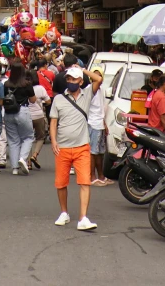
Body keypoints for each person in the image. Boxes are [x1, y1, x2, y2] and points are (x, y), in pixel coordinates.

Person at [50, 65, 103, 230]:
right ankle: (64, 212)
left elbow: (98, 79)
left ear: (81, 81)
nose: (71, 82)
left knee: (84, 182)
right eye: (69, 79)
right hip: (63, 147)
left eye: (74, 79)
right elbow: (53, 122)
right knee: (61, 183)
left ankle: (83, 218)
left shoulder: (87, 95)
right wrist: (53, 141)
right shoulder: (58, 99)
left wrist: (81, 69)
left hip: (81, 147)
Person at [4, 61, 36, 176]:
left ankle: (14, 168)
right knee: (28, 137)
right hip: (23, 111)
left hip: (8, 113)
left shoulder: (6, 84)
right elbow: (33, 100)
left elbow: (4, 98)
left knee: (13, 140)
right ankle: (23, 158)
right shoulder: (26, 84)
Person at [87, 66, 111, 186]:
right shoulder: (90, 89)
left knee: (100, 152)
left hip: (100, 124)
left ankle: (101, 176)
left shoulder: (101, 90)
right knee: (93, 152)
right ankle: (92, 176)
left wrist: (104, 123)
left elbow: (101, 108)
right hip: (93, 123)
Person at [26, 70, 49, 170]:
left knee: (27, 138)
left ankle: (28, 162)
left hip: (27, 116)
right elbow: (48, 101)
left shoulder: (24, 88)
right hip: (39, 115)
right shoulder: (40, 88)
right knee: (41, 137)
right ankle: (34, 155)